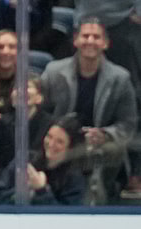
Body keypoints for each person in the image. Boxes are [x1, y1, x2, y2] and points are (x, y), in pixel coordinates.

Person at [41, 17, 138, 204]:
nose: (90, 41)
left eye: (96, 36)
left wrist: (105, 134)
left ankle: (98, 200)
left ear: (106, 43)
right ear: (75, 40)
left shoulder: (121, 78)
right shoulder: (53, 71)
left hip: (98, 148)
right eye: (85, 36)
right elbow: (41, 113)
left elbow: (128, 124)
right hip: (58, 143)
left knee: (113, 150)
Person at [0, 114, 87, 205]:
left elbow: (67, 218)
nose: (51, 144)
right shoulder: (25, 159)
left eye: (60, 142)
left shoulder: (74, 179)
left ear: (70, 147)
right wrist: (24, 190)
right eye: (49, 136)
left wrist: (41, 191)